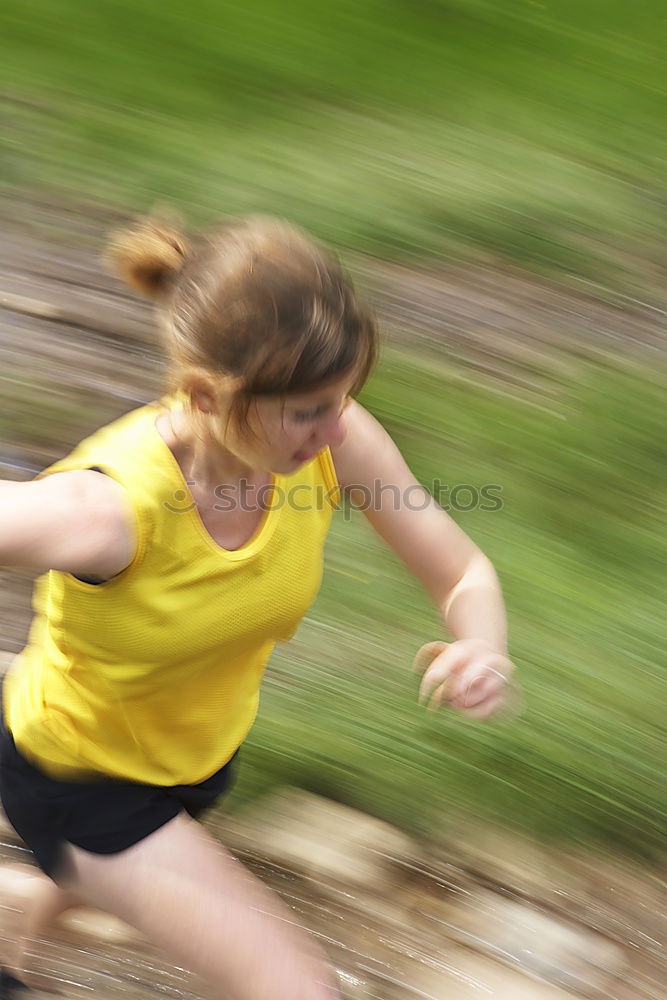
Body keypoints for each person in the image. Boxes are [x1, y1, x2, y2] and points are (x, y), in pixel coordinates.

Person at [0, 214, 517, 1000]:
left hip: (196, 761)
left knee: (133, 889)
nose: (336, 424)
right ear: (207, 395)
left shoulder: (332, 439)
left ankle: (17, 907)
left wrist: (480, 644)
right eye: (309, 408)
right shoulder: (110, 508)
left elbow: (461, 571)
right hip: (79, 778)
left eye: (345, 396)